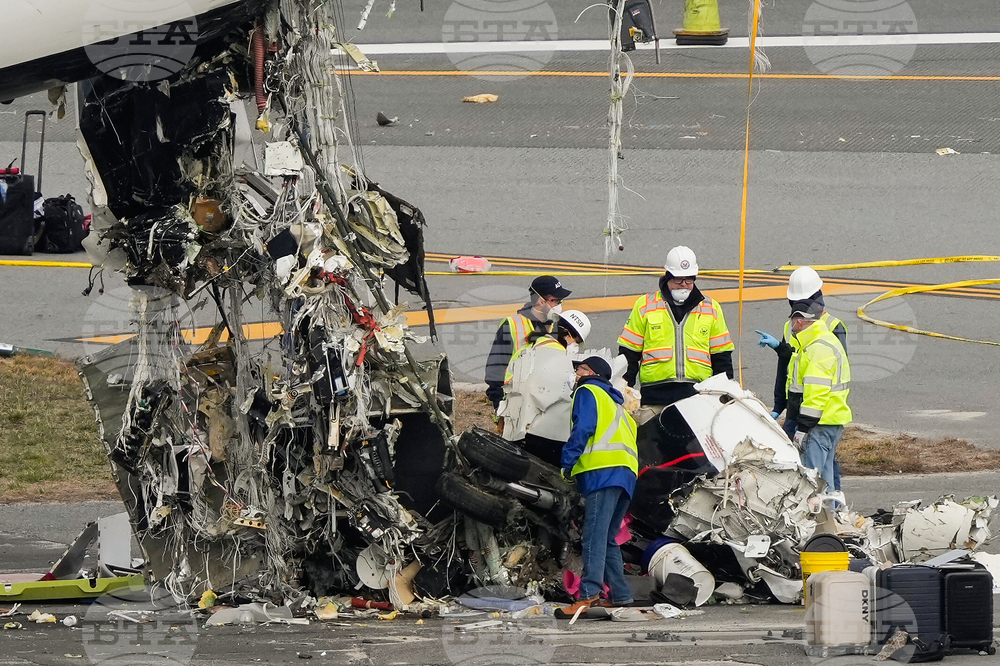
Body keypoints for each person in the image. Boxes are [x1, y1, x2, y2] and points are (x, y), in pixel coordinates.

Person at [555, 356, 638, 617]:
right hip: (625, 475)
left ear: (590, 372)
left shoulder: (587, 390)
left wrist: (567, 462)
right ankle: (621, 595)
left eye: (578, 369)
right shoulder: (616, 403)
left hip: (602, 472)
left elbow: (584, 428)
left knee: (593, 536)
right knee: (607, 538)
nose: (575, 374)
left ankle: (588, 595)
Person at [756, 266, 848, 488]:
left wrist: (805, 424)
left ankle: (829, 513)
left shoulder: (832, 328)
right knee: (798, 465)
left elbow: (823, 381)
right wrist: (780, 404)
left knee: (818, 473)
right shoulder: (792, 326)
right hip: (798, 409)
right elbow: (788, 367)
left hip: (819, 415)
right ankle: (825, 512)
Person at [617, 246, 734, 406]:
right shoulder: (645, 305)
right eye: (678, 280)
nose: (683, 285)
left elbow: (722, 357)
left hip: (698, 397)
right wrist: (623, 389)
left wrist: (725, 395)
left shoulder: (711, 308)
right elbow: (628, 355)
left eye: (689, 280)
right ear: (668, 277)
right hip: (654, 397)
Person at [501, 310, 592, 467]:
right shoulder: (554, 351)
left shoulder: (534, 344)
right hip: (533, 424)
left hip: (515, 416)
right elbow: (559, 389)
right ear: (566, 333)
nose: (574, 345)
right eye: (575, 341)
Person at [783, 302, 852, 491]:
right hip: (831, 421)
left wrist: (803, 428)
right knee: (826, 479)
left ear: (799, 321)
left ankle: (817, 519)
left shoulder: (817, 348)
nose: (791, 326)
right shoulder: (823, 341)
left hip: (818, 424)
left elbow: (816, 394)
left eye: (793, 321)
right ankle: (833, 516)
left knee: (811, 482)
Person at [484, 276, 571, 410]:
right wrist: (499, 404)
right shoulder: (512, 325)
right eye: (555, 301)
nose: (559, 305)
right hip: (516, 401)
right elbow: (495, 369)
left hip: (549, 402)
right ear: (541, 301)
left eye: (560, 301)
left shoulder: (559, 327)